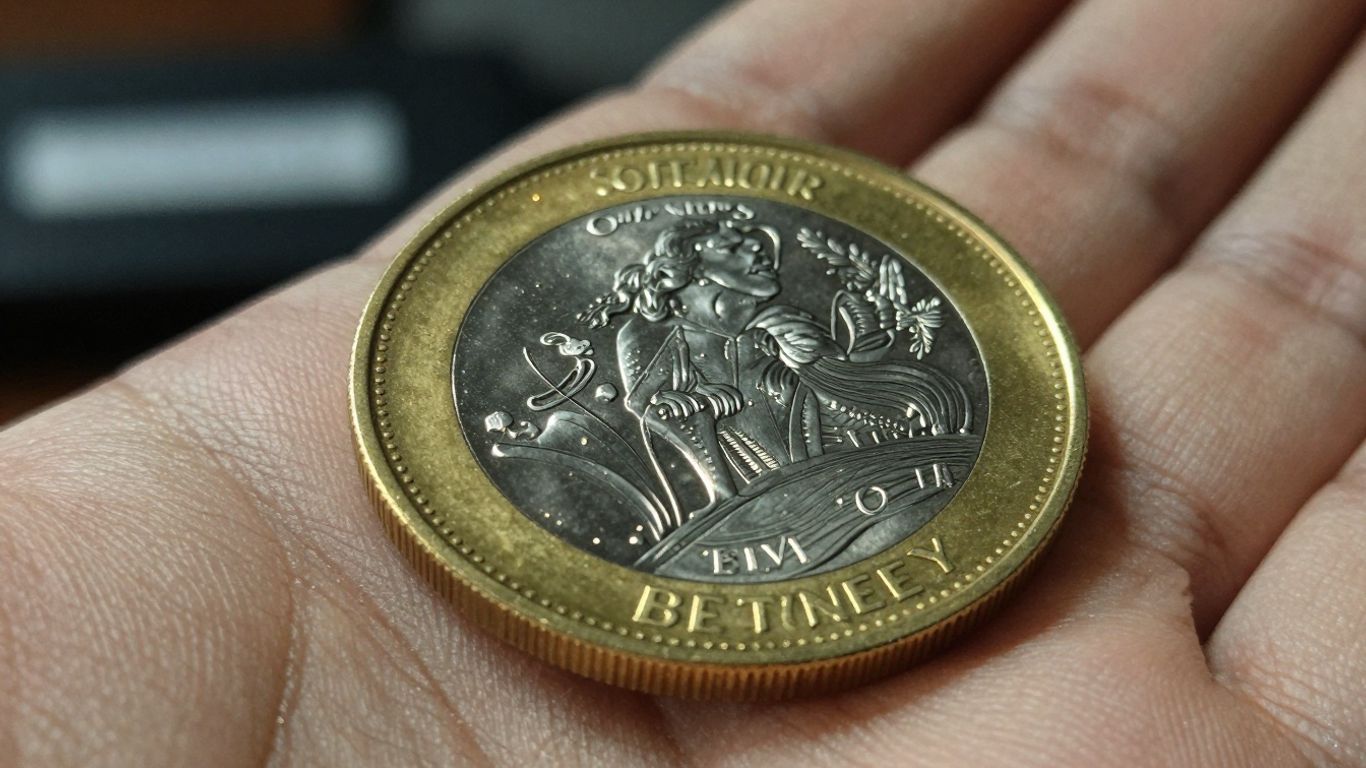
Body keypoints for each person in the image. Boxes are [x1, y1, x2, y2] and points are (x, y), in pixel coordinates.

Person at [2, 1, 1363, 764]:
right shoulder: (655, 347)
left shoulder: (772, 326)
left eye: (754, 273)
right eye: (728, 274)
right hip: (705, 471)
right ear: (678, 285)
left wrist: (802, 357)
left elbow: (813, 379)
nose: (755, 284)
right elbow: (672, 412)